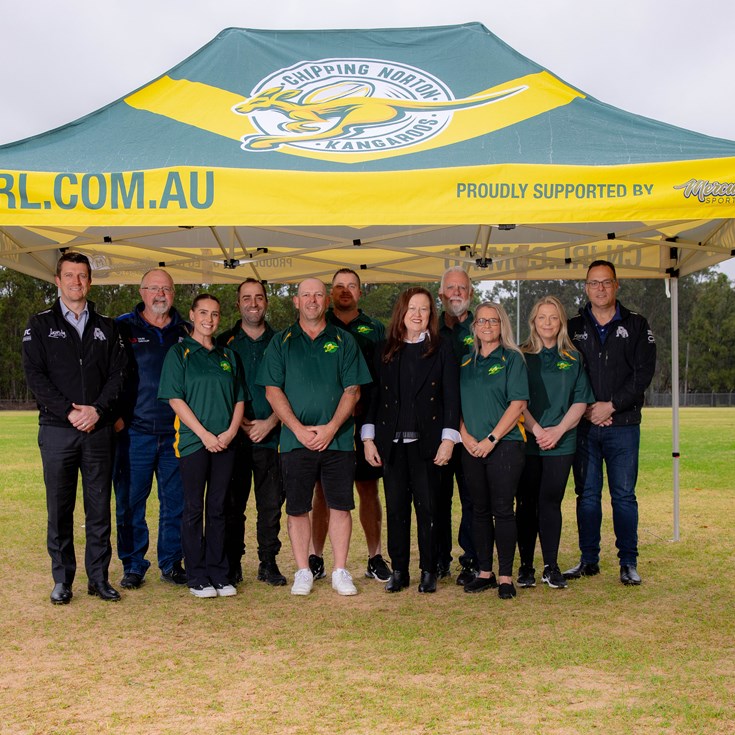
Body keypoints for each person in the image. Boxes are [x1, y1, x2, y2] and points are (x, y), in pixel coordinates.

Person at [22, 251, 127, 604]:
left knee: (99, 509)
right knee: (59, 508)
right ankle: (62, 580)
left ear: (90, 281)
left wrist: (97, 411)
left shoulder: (107, 326)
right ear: (58, 280)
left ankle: (98, 579)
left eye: (82, 276)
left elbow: (118, 375)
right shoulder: (39, 325)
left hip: (97, 431)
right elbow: (35, 376)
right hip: (57, 430)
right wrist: (69, 411)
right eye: (69, 276)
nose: (76, 282)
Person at [257, 278, 371, 596]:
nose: (312, 300)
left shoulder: (345, 341)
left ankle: (340, 571)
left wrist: (332, 427)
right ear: (296, 302)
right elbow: (272, 390)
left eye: (318, 295)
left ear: (326, 301)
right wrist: (297, 428)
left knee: (340, 505)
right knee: (297, 508)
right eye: (306, 295)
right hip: (295, 441)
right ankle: (303, 571)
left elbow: (353, 389)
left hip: (337, 439)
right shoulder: (281, 342)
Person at [362, 287, 460, 594]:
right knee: (396, 509)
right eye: (412, 309)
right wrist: (368, 439)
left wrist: (449, 440)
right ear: (401, 313)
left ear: (431, 315)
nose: (418, 315)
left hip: (428, 444)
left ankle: (429, 570)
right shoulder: (383, 350)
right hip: (391, 444)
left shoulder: (442, 348)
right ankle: (400, 570)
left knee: (429, 508)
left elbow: (452, 397)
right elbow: (372, 398)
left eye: (425, 310)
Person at [565, 260, 656, 586]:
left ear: (616, 285)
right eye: (593, 283)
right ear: (586, 287)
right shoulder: (572, 325)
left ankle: (628, 563)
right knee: (586, 496)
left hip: (624, 425)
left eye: (606, 282)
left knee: (623, 496)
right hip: (585, 426)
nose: (600, 288)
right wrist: (587, 408)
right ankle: (588, 560)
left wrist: (612, 406)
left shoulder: (636, 324)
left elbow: (642, 373)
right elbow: (565, 372)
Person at [158, 294, 246, 598]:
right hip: (195, 442)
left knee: (219, 508)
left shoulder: (228, 356)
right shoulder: (179, 353)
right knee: (194, 508)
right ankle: (196, 576)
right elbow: (175, 398)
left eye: (215, 314)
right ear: (193, 316)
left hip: (226, 444)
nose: (209, 319)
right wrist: (205, 434)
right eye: (204, 313)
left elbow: (239, 398)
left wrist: (231, 432)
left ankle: (219, 573)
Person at [309, 268, 391, 584]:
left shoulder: (375, 329)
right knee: (322, 492)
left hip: (364, 423)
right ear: (331, 293)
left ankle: (375, 557)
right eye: (339, 286)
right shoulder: (319, 324)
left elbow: (382, 379)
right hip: (326, 424)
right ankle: (316, 557)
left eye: (351, 286)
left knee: (368, 489)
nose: (345, 291)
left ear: (360, 292)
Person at [113, 269, 190, 590]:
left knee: (177, 503)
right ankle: (133, 564)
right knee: (131, 503)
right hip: (134, 434)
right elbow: (104, 373)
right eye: (154, 288)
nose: (161, 294)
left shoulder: (187, 329)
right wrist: (115, 417)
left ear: (174, 293)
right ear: (142, 291)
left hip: (177, 434)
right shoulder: (120, 326)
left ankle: (172, 562)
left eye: (167, 289)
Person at [516, 296, 594, 589]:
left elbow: (580, 400)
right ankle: (525, 567)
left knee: (550, 502)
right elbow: (517, 400)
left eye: (553, 317)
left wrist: (558, 431)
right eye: (541, 317)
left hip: (562, 442)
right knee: (525, 504)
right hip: (528, 440)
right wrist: (537, 430)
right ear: (533, 321)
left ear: (561, 322)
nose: (547, 323)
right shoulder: (520, 356)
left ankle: (550, 565)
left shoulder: (573, 357)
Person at [217, 279, 286, 587]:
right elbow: (219, 388)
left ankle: (268, 562)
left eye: (259, 297)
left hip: (272, 436)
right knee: (233, 504)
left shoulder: (283, 340)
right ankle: (232, 563)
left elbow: (291, 387)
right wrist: (241, 421)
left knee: (270, 505)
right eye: (247, 298)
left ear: (266, 303)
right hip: (235, 437)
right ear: (238, 304)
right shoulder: (223, 341)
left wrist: (271, 421)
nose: (253, 303)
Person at [459, 302, 527, 600]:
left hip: (505, 445)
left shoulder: (513, 359)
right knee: (479, 509)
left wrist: (491, 439)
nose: (486, 326)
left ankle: (505, 576)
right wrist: (465, 437)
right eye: (481, 321)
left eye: (493, 321)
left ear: (503, 326)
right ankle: (485, 572)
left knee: (503, 510)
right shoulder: (464, 362)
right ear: (474, 327)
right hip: (470, 447)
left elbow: (518, 404)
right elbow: (455, 404)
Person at [437, 266, 478, 585]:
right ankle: (438, 558)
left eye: (461, 288)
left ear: (471, 293)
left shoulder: (484, 325)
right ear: (441, 294)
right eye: (450, 288)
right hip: (438, 429)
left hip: (474, 428)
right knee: (437, 495)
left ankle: (471, 558)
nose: (456, 293)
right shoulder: (428, 326)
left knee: (472, 497)